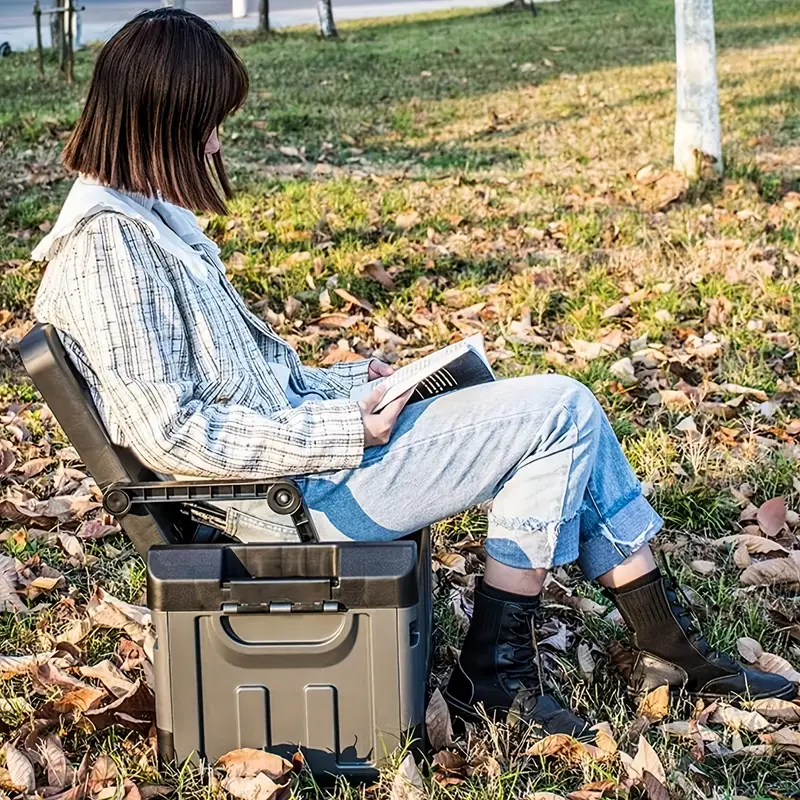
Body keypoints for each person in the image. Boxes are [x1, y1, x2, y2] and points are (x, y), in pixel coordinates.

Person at [32, 8, 796, 740]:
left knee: (561, 414)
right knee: (559, 412)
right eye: (210, 121)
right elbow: (172, 434)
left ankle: (656, 651)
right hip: (292, 502)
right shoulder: (111, 250)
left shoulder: (149, 226)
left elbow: (253, 385)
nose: (218, 140)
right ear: (162, 121)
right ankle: (514, 674)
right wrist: (344, 428)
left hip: (307, 468)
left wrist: (355, 383)